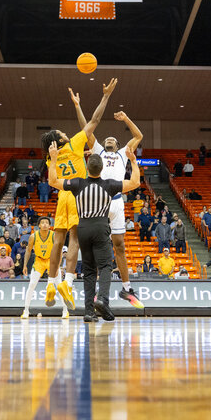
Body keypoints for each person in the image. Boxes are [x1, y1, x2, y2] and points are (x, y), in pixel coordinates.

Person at [39, 77, 117, 312]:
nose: (66, 132)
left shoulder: (50, 156)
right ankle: (68, 283)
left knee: (57, 241)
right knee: (75, 240)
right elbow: (95, 120)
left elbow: (52, 180)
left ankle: (51, 284)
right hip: (76, 194)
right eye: (62, 132)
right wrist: (105, 96)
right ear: (61, 139)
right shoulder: (73, 143)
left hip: (61, 194)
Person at [47, 138, 139, 322]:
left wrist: (54, 159)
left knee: (88, 270)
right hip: (100, 227)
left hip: (82, 228)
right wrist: (134, 162)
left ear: (87, 168)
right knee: (105, 266)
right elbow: (135, 182)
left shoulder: (77, 183)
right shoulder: (110, 185)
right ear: (102, 169)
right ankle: (103, 300)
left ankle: (89, 312)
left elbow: (53, 181)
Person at [72, 95, 145, 310]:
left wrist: (126, 119)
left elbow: (138, 135)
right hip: (100, 201)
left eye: (113, 139)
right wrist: (78, 106)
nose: (110, 139)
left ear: (118, 144)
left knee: (120, 245)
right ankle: (96, 292)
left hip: (117, 201)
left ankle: (126, 287)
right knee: (98, 248)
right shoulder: (98, 151)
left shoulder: (123, 153)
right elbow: (87, 128)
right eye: (108, 139)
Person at [21, 217, 70, 319]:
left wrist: (58, 265)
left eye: (46, 223)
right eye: (42, 223)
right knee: (32, 285)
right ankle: (26, 310)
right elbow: (28, 251)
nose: (44, 224)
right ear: (38, 225)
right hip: (39, 261)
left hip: (51, 261)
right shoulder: (33, 236)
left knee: (59, 285)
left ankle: (65, 310)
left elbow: (59, 251)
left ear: (49, 225)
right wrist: (25, 265)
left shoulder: (53, 235)